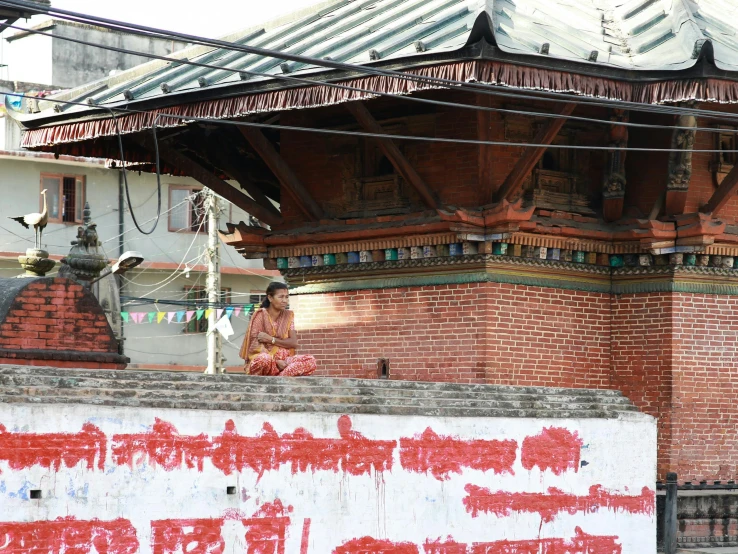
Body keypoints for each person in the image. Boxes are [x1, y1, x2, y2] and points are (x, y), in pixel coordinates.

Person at [239, 281, 317, 377]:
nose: (285, 300)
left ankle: (281, 378)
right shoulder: (260, 315)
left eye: (286, 297)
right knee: (264, 359)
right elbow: (255, 345)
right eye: (281, 297)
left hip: (284, 362)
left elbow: (293, 343)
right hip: (267, 362)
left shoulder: (288, 316)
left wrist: (271, 340)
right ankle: (281, 376)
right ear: (270, 298)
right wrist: (275, 360)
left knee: (310, 360)